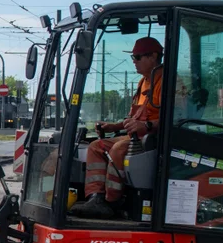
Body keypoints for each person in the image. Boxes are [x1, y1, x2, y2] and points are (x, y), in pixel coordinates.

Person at [70, 37, 164, 219]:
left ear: (153, 56)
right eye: (133, 58)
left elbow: (174, 118)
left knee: (118, 148)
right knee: (96, 147)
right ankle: (95, 198)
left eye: (137, 57)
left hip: (154, 137)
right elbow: (135, 117)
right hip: (137, 134)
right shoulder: (143, 82)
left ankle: (111, 201)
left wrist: (147, 125)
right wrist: (114, 126)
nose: (134, 62)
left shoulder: (167, 82)